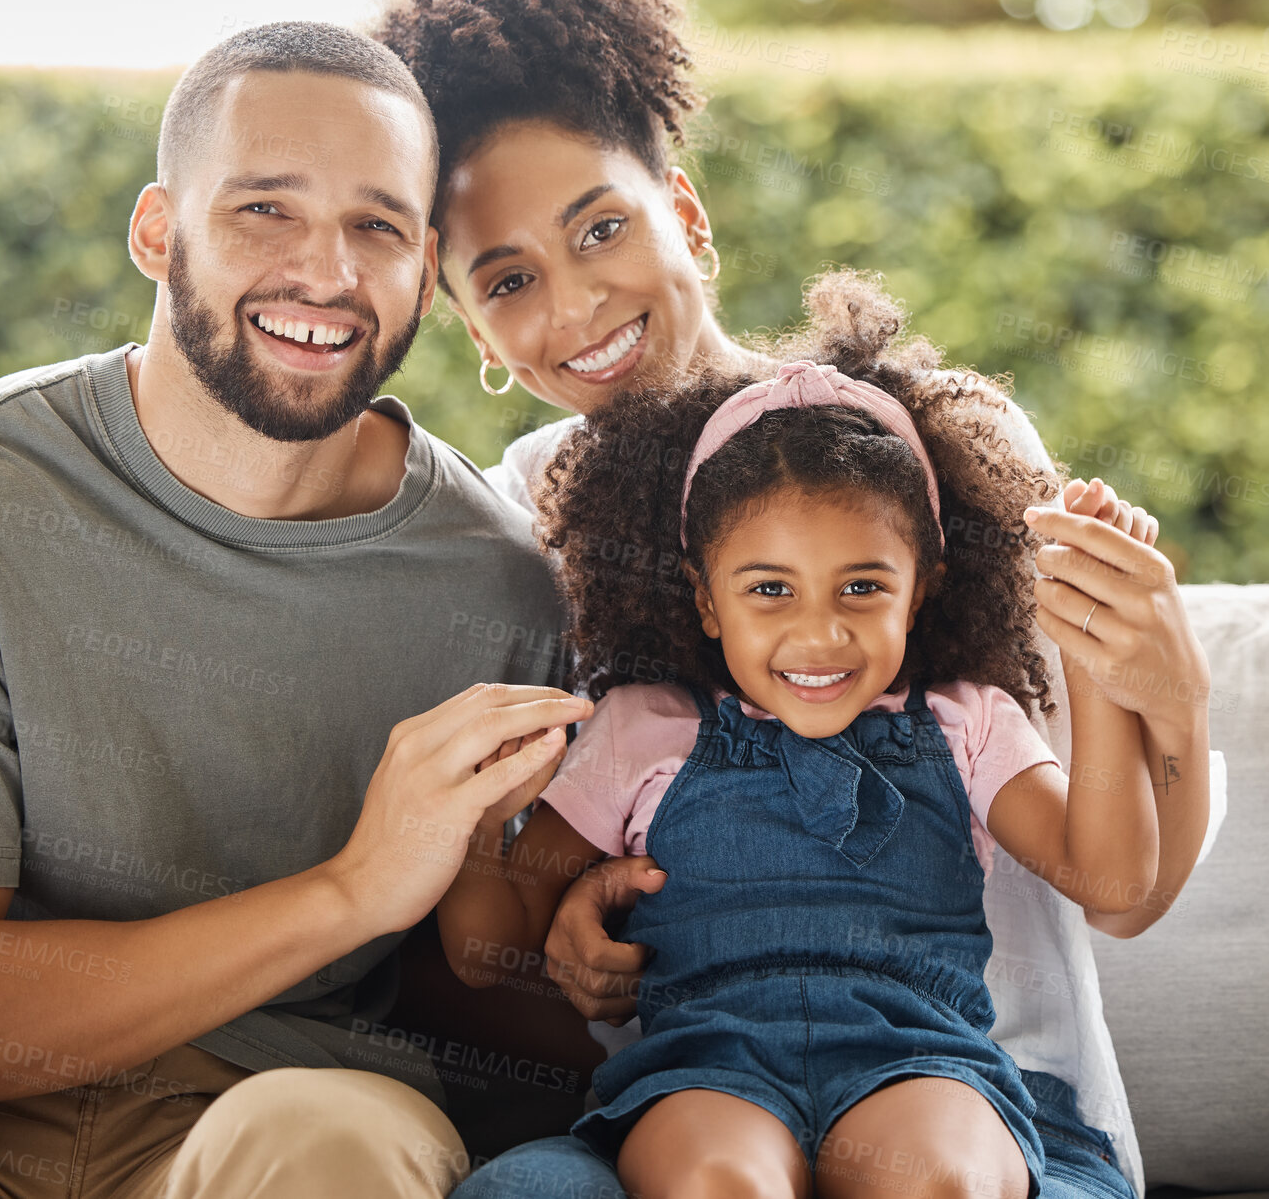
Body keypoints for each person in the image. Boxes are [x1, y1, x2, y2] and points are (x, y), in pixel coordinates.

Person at [376, 0, 1219, 1199]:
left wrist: (1172, 696)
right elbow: (519, 891)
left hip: (982, 1087)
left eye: (602, 230)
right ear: (473, 328)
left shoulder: (933, 452)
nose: (577, 304)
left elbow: (1116, 887)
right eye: (508, 281)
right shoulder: (522, 516)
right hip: (702, 1094)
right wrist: (565, 926)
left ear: (689, 218)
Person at [0, 20, 594, 1199]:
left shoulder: (501, 585)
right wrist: (350, 888)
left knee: (332, 1141)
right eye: (265, 209)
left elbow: (499, 1007)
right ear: (158, 231)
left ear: (425, 270)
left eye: (377, 226)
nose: (326, 272)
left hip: (269, 1119)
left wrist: (559, 941)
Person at [438, 275, 1170, 1198]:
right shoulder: (640, 725)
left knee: (936, 1176)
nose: (818, 635)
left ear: (926, 582)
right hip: (708, 1070)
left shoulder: (967, 719)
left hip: (923, 1064)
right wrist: (472, 824)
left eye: (862, 587)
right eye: (769, 590)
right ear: (705, 598)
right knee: (719, 1179)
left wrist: (1094, 655)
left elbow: (1109, 879)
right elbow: (483, 948)